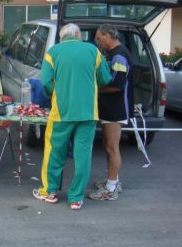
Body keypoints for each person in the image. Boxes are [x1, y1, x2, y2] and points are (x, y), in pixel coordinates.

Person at [32, 23, 112, 210]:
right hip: (87, 113)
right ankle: (76, 197)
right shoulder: (93, 51)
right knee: (83, 156)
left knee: (54, 153)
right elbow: (105, 79)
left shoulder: (53, 52)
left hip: (61, 113)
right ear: (78, 34)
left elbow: (45, 82)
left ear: (62, 36)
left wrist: (56, 92)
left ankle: (49, 192)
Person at [89, 24, 133, 201]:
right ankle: (112, 180)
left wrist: (95, 90)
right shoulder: (112, 54)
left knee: (112, 147)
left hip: (116, 108)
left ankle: (111, 188)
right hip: (109, 108)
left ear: (108, 36)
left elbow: (117, 85)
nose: (98, 43)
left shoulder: (120, 56)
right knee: (108, 146)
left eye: (99, 39)